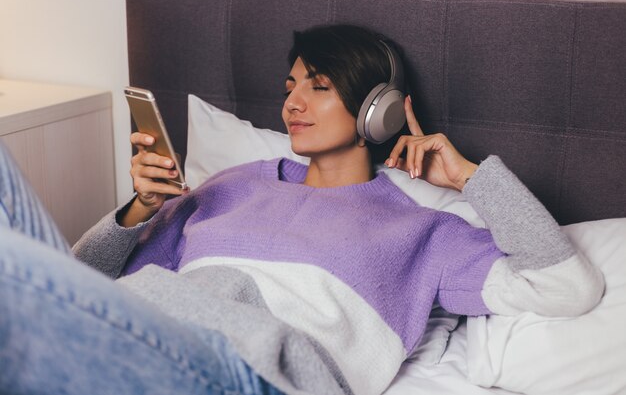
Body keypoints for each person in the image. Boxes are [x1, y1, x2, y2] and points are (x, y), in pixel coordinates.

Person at [0, 24, 604, 395]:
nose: (292, 101)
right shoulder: (234, 185)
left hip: (252, 372)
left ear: (380, 109)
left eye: (318, 85)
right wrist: (140, 208)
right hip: (143, 332)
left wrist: (471, 179)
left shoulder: (424, 233)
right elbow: (80, 278)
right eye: (291, 85)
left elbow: (566, 286)